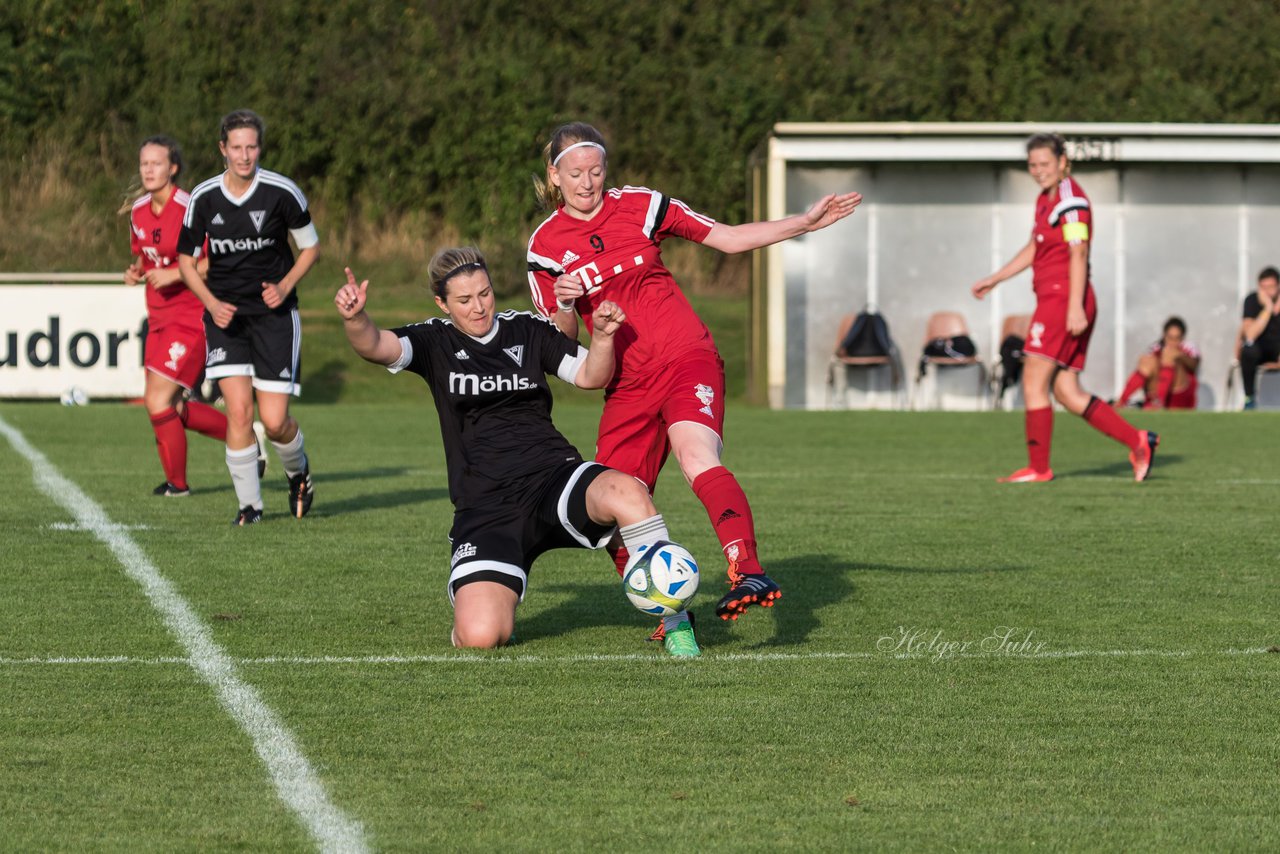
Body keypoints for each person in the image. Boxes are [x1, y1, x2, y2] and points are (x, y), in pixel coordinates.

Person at [527, 121, 861, 637]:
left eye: (596, 171)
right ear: (554, 175)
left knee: (696, 454)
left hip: (687, 357)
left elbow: (725, 239)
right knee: (615, 502)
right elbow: (563, 340)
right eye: (576, 174)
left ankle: (747, 571)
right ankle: (671, 614)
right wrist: (568, 302)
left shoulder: (641, 205)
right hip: (627, 384)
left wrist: (804, 223)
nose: (588, 183)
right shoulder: (545, 247)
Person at [333, 247, 700, 656]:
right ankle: (475, 601)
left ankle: (676, 620)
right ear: (442, 303)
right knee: (481, 637)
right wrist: (355, 318)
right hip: (486, 506)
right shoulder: (433, 341)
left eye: (485, 294)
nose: (479, 307)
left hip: (552, 478)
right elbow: (375, 345)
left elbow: (591, 376)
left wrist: (603, 337)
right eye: (465, 300)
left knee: (627, 492)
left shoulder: (525, 330)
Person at [971, 132, 1157, 483]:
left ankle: (1039, 469)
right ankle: (1138, 441)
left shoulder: (1072, 199)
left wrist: (1074, 306)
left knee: (1033, 380)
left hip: (1064, 299)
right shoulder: (1047, 199)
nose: (1038, 170)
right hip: (1060, 298)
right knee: (1067, 392)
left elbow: (1078, 251)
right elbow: (1036, 247)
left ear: (1062, 162)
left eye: (1045, 164)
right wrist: (996, 278)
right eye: (1032, 165)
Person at [177, 109, 319, 525]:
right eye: (236, 147)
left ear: (260, 148)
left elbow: (310, 247)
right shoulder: (204, 197)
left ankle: (299, 474)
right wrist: (210, 302)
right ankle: (250, 508)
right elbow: (186, 262)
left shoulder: (281, 192)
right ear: (223, 149)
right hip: (226, 320)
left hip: (274, 318)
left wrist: (285, 285)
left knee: (274, 422)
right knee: (239, 412)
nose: (244, 155)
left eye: (251, 146)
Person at [121, 135, 251, 496]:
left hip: (193, 315)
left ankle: (177, 485)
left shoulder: (191, 206)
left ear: (173, 167)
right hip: (159, 317)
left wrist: (176, 274)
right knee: (172, 408)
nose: (148, 170)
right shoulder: (138, 211)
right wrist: (136, 271)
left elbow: (216, 260)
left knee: (158, 401)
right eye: (144, 163)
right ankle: (244, 437)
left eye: (156, 163)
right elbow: (146, 256)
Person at [1116, 317, 1199, 410]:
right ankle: (1121, 402)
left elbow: (1194, 366)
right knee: (1146, 360)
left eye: (1177, 338)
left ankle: (1158, 402)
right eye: (1170, 338)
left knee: (1169, 354)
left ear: (1182, 338)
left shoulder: (1188, 347)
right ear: (1164, 336)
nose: (1173, 342)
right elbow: (1145, 372)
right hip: (1156, 389)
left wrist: (1178, 355)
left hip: (1180, 394)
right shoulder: (1156, 347)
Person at [1237, 266, 1280, 410]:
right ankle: (1249, 398)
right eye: (1263, 287)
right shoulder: (1252, 301)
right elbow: (1250, 335)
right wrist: (1268, 308)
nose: (1268, 291)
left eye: (1271, 286)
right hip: (1259, 352)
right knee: (1248, 349)